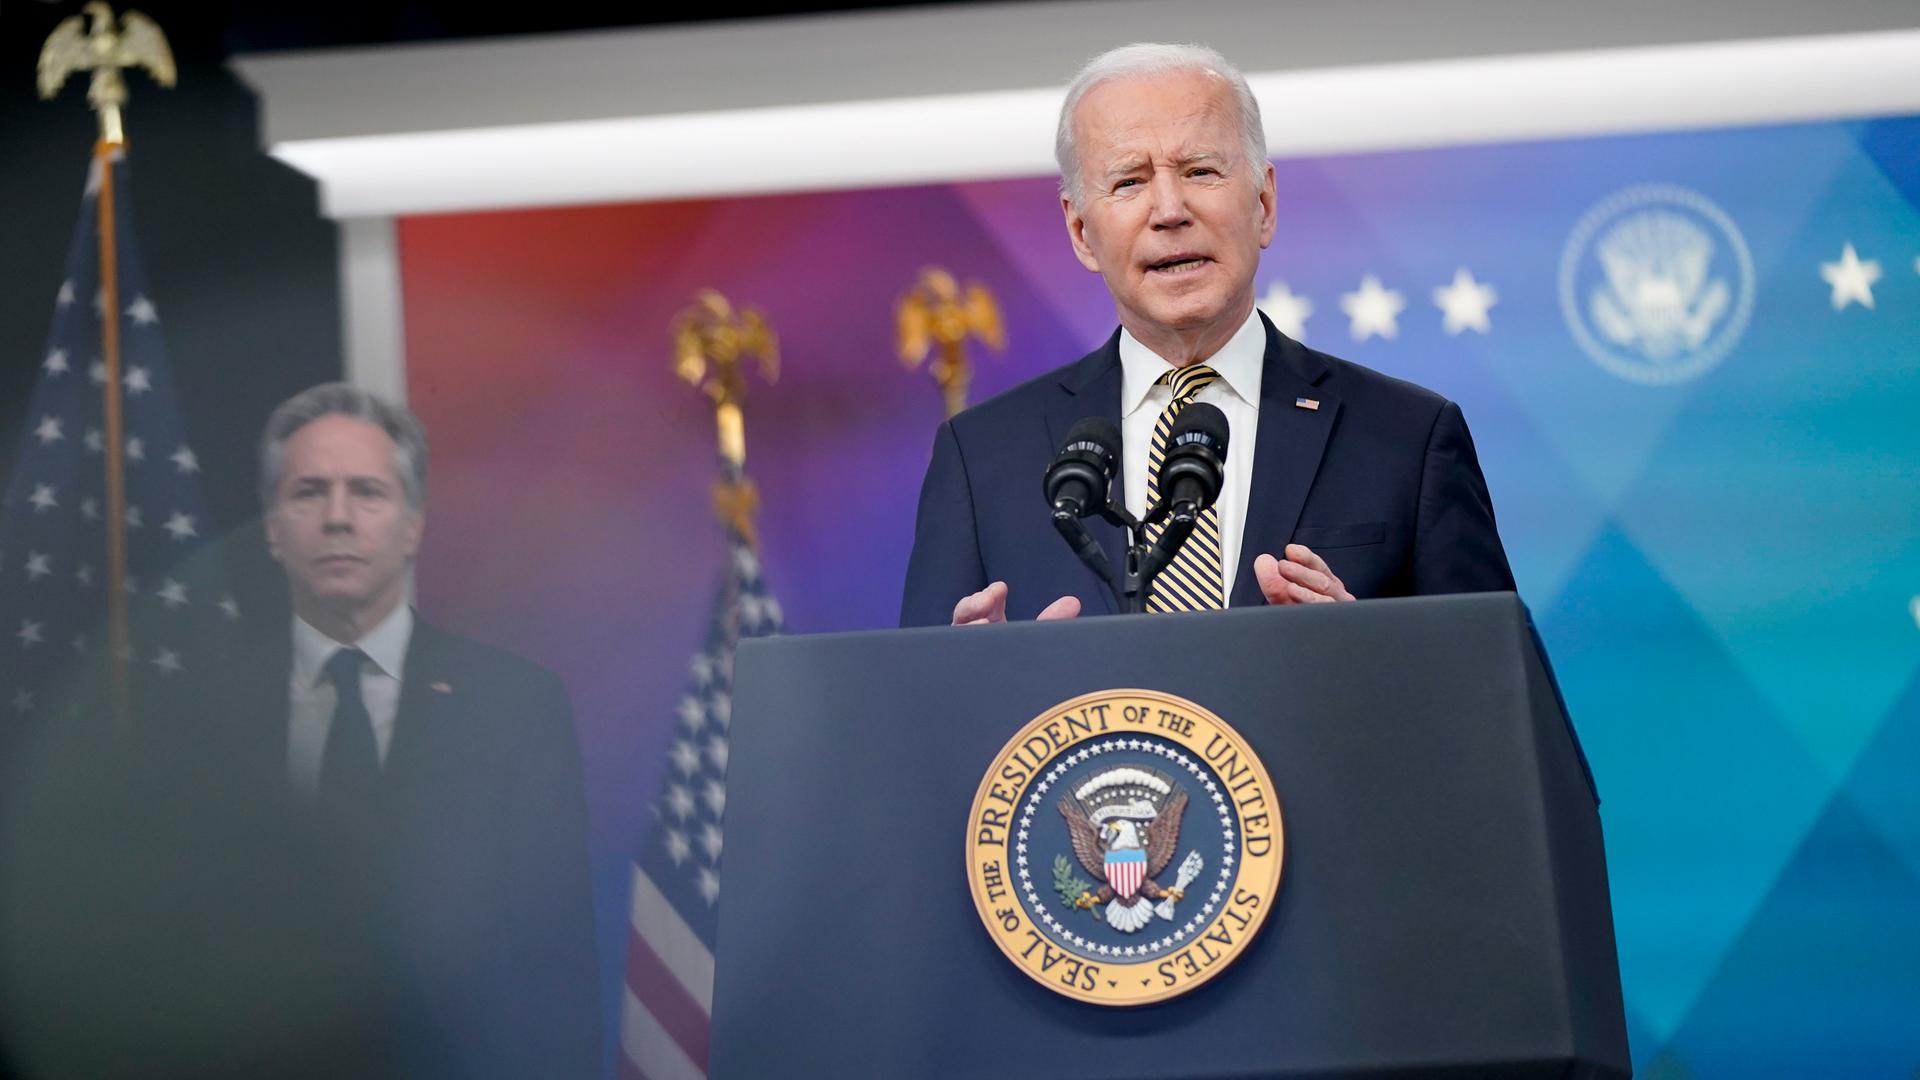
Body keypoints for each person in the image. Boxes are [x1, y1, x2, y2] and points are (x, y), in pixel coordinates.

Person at [901, 43, 1515, 627]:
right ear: (1081, 232)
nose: (1170, 210)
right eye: (1129, 182)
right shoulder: (979, 456)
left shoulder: (1408, 437)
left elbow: (1496, 685)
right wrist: (977, 677)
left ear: (1264, 203)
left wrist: (1365, 657)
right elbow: (915, 693)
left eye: (1200, 171)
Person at [228, 383, 599, 1077]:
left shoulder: (516, 707)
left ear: (413, 526)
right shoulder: (204, 709)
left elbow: (555, 969)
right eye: (309, 492)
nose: (338, 517)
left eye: (367, 492)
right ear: (273, 528)